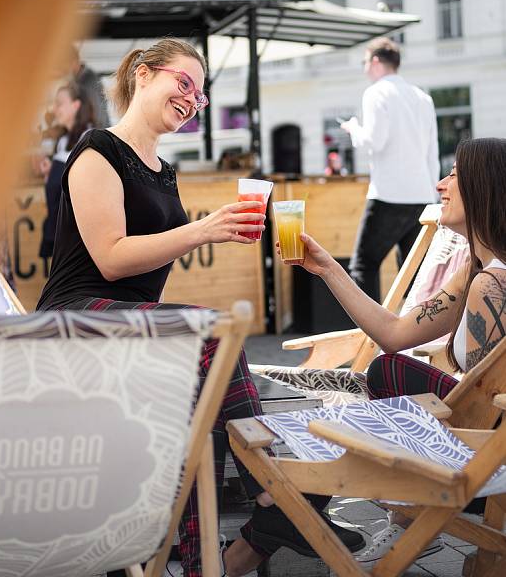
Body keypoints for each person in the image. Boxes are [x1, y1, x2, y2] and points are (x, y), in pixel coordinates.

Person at [35, 37, 364, 577]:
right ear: (143, 74)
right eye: (184, 82)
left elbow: (148, 291)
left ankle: (204, 558)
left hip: (125, 335)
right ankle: (273, 496)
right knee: (212, 332)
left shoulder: (163, 171)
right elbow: (113, 261)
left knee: (194, 398)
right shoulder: (97, 149)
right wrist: (204, 230)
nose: (192, 99)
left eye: (201, 93)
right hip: (73, 323)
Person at [290, 136, 506, 566]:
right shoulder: (477, 272)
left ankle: (411, 516)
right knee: (389, 367)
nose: (441, 185)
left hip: (486, 463)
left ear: (483, 187)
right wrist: (329, 269)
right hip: (486, 441)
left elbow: (487, 403)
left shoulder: (489, 284)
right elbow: (394, 331)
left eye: (453, 176)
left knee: (389, 373)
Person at [341, 38, 439, 303]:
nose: (364, 67)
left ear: (374, 61)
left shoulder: (375, 92)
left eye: (364, 61)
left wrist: (353, 129)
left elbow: (374, 140)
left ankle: (367, 340)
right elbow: (433, 152)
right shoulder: (423, 97)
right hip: (422, 196)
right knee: (414, 273)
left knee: (363, 266)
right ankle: (416, 338)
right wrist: (435, 197)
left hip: (389, 194)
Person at [39, 81, 97, 260]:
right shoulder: (63, 141)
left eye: (59, 103)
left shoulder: (89, 138)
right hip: (60, 230)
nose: (55, 109)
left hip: (79, 236)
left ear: (76, 105)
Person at [68, 43, 111, 128]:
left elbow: (98, 114)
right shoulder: (77, 80)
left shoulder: (88, 81)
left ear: (74, 61)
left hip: (97, 134)